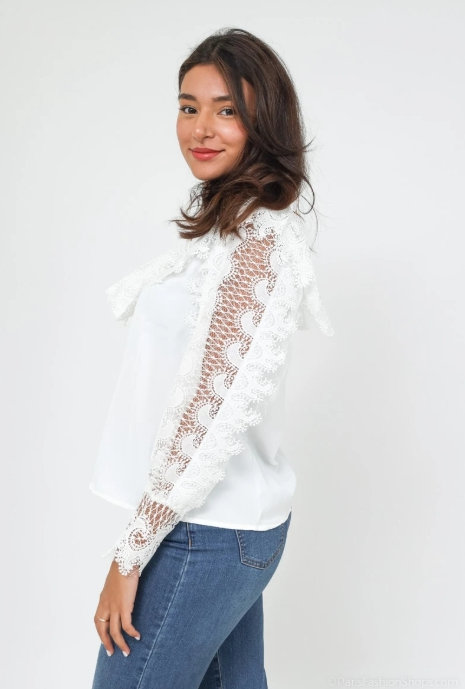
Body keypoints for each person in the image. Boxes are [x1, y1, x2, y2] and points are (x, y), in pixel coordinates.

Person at [89, 27, 334, 689]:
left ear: (265, 122)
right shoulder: (232, 229)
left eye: (227, 110)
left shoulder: (257, 241)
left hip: (204, 531)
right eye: (188, 106)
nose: (201, 128)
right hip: (221, 525)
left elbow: (207, 409)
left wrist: (129, 554)